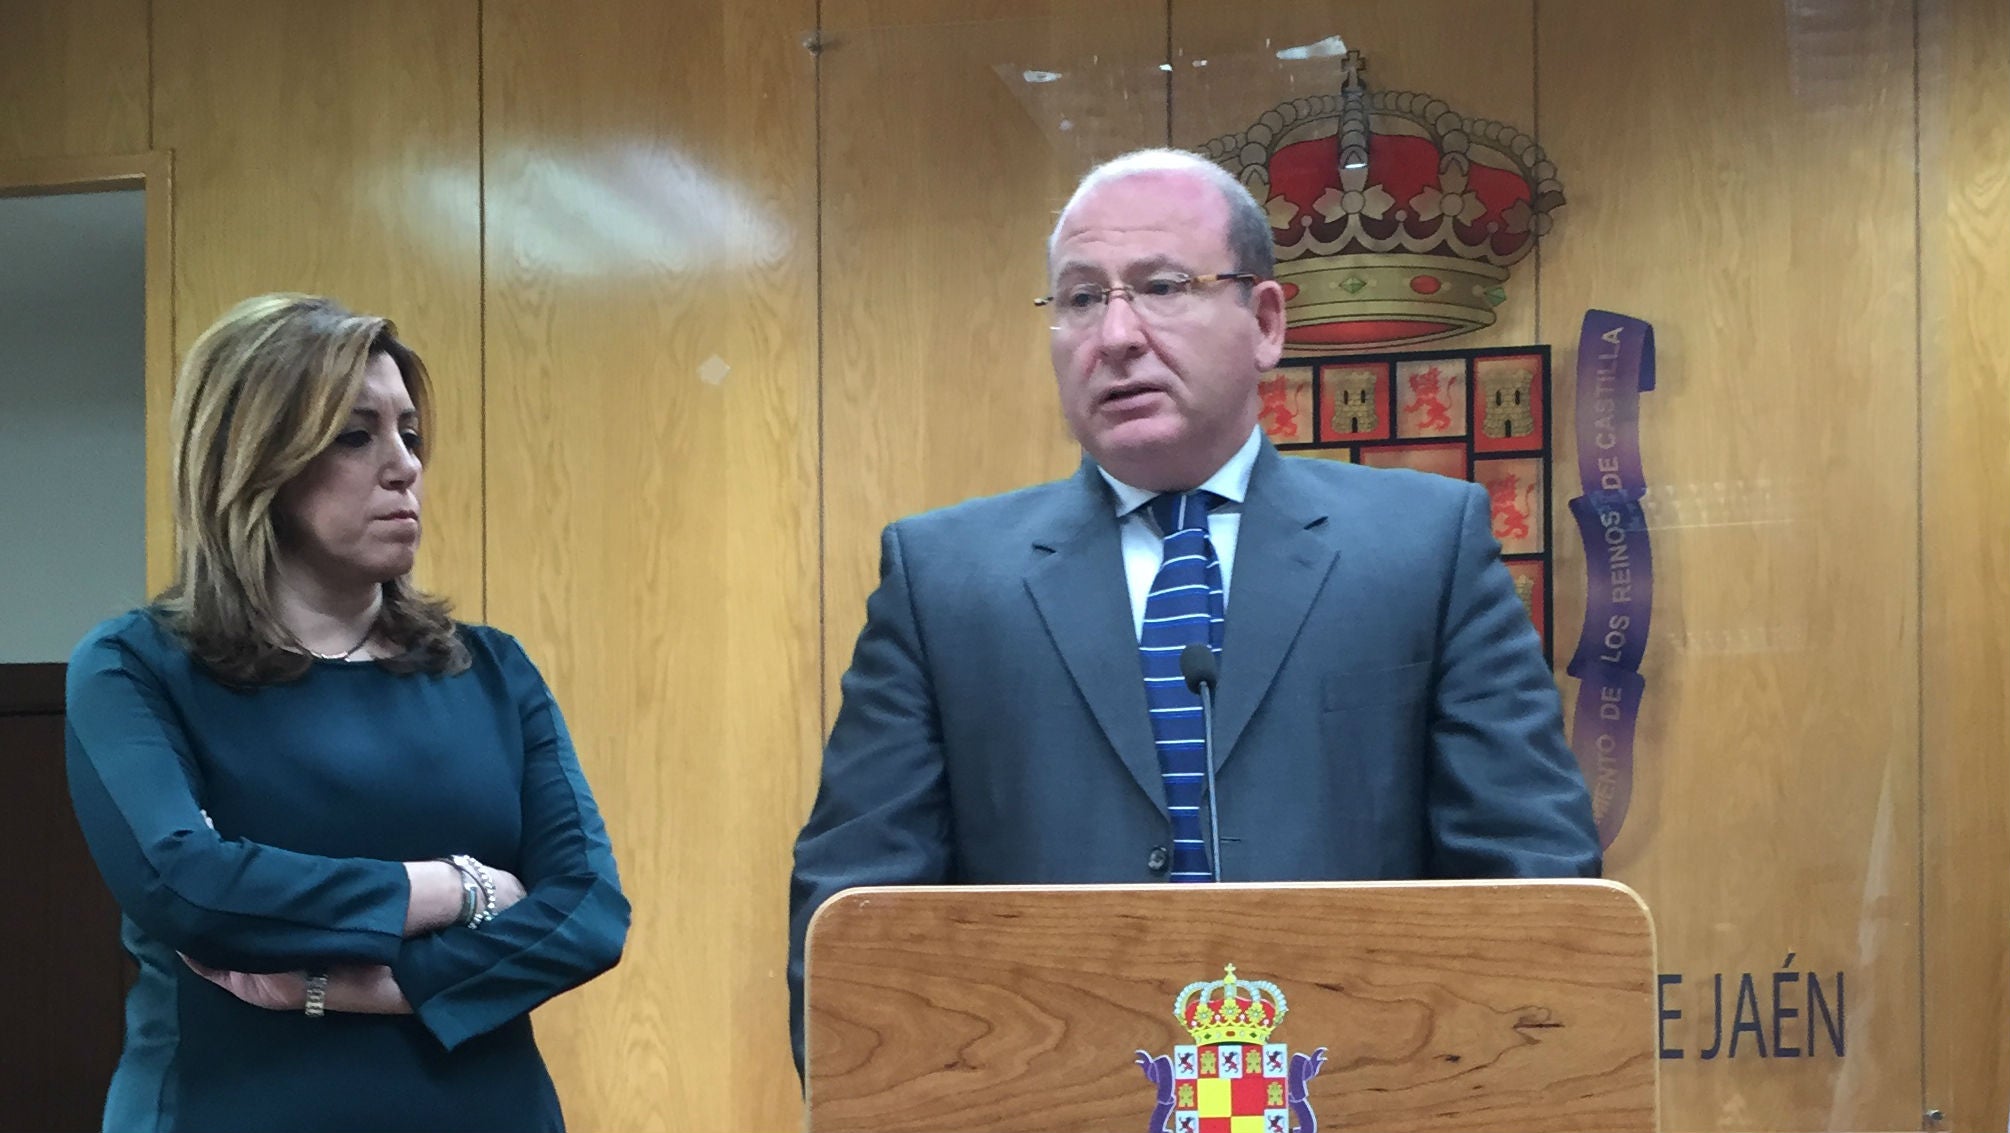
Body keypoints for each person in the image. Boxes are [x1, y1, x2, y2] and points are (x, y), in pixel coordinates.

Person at [787, 148, 1599, 1065]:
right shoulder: (942, 580)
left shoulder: (1424, 548)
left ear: (1263, 321)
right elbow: (850, 922)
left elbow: (1533, 885)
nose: (1116, 335)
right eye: (1081, 298)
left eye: (1162, 286)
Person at [65, 294, 628, 1133]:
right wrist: (453, 885)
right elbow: (192, 889)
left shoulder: (492, 670)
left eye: (411, 434)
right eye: (355, 434)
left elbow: (587, 910)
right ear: (255, 459)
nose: (403, 465)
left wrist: (363, 989)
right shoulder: (136, 667)